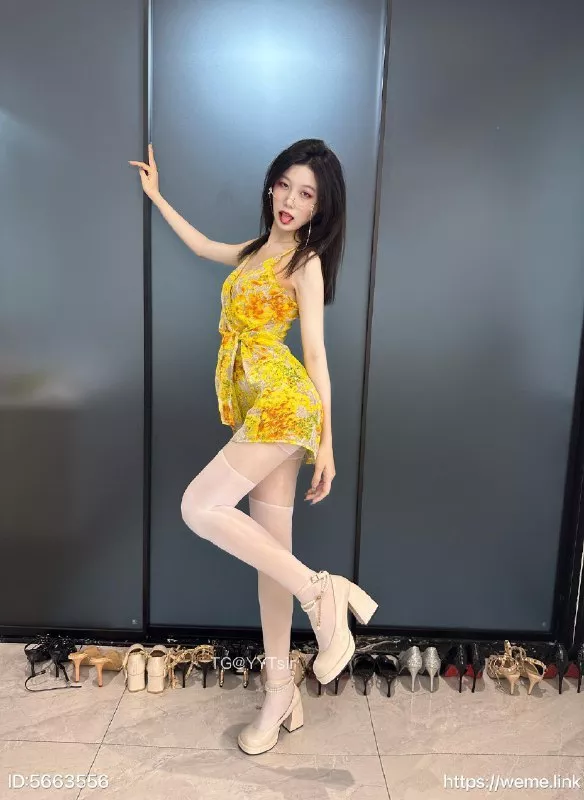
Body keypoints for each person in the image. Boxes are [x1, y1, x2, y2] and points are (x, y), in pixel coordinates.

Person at [129, 139, 378, 754]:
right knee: (272, 559)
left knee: (199, 506)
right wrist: (157, 195)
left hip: (284, 405)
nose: (291, 200)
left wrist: (327, 443)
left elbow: (315, 355)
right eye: (285, 185)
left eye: (306, 194)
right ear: (272, 186)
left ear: (319, 208)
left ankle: (320, 593)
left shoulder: (305, 262)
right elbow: (200, 245)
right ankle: (279, 690)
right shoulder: (252, 250)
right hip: (257, 409)